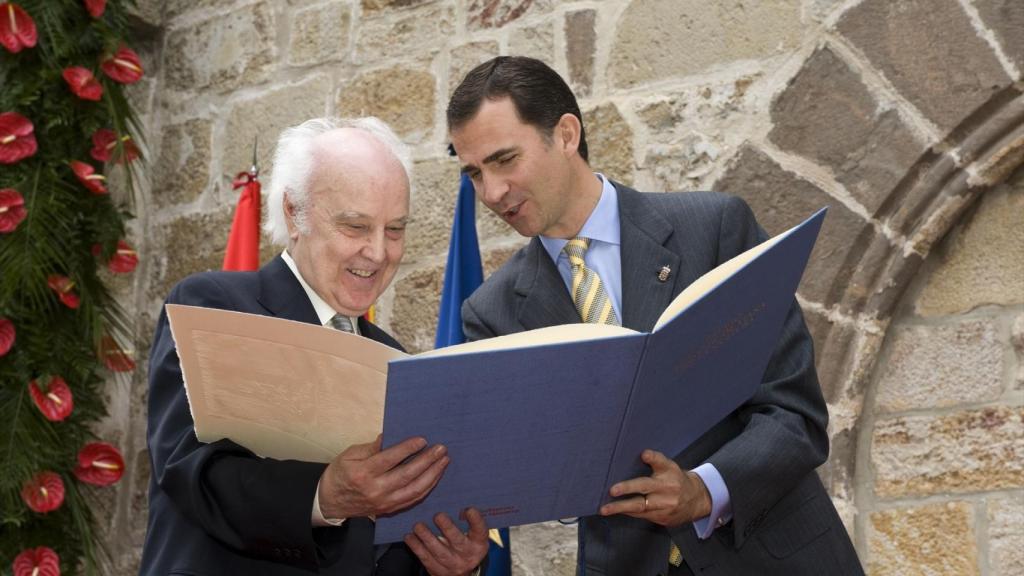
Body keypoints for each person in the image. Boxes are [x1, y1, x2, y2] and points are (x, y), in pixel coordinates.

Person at [447, 56, 863, 576]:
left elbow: (795, 414)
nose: (491, 192)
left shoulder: (715, 229)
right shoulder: (490, 315)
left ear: (567, 134)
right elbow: (534, 476)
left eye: (504, 160)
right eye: (474, 173)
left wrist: (704, 490)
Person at [140, 117, 489, 576]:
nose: (379, 252)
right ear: (294, 213)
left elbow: (383, 544)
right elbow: (188, 467)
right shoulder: (216, 307)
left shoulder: (395, 358)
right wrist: (323, 494)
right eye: (355, 226)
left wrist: (450, 566)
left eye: (396, 229)